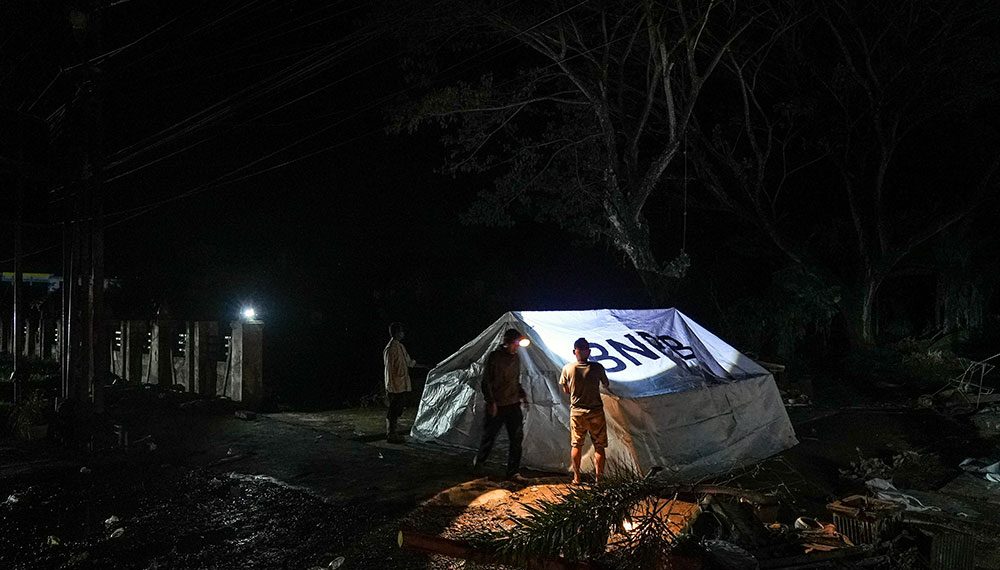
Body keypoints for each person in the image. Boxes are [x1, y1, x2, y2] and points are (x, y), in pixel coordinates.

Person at [473, 328, 528, 479]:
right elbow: (486, 381)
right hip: (497, 404)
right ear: (507, 343)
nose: (517, 347)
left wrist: (522, 394)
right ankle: (479, 463)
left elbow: (515, 380)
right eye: (515, 344)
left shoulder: (516, 358)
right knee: (489, 436)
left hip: (513, 403)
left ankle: (513, 472)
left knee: (516, 438)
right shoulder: (495, 357)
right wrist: (491, 402)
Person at [559, 337, 611, 485]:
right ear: (588, 351)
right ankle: (599, 480)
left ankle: (576, 478)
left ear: (574, 351)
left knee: (576, 445)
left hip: (577, 412)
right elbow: (606, 384)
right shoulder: (598, 367)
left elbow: (566, 390)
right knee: (599, 447)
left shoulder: (568, 368)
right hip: (596, 412)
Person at [383, 322, 417, 443]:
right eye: (401, 331)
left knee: (397, 409)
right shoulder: (391, 348)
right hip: (395, 385)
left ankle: (393, 433)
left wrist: (414, 364)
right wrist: (390, 386)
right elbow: (390, 368)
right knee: (393, 410)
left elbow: (407, 362)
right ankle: (391, 434)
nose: (403, 333)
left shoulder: (400, 347)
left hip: (401, 384)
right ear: (397, 333)